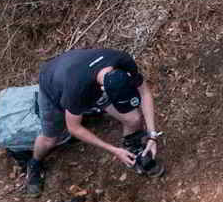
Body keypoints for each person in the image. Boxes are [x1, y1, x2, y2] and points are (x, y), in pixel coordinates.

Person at [27, 46, 161, 194]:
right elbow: (74, 128)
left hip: (82, 72)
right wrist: (114, 150)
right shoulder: (76, 90)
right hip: (52, 84)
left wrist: (152, 135)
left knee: (134, 119)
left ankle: (133, 149)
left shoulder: (123, 61)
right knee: (50, 139)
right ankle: (34, 163)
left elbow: (145, 93)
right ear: (104, 91)